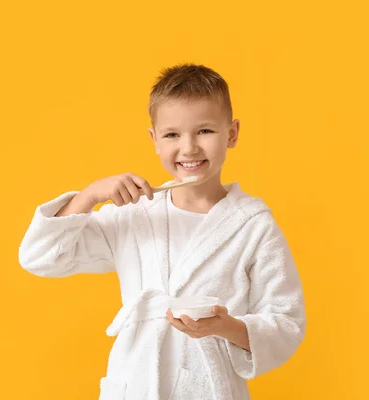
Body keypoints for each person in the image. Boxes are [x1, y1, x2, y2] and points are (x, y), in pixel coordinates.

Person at [18, 63, 306, 400]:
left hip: (209, 389)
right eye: (172, 135)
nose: (189, 148)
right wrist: (89, 196)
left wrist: (224, 327)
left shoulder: (252, 225)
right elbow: (39, 257)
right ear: (154, 140)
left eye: (205, 131)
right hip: (134, 385)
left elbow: (286, 322)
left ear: (232, 133)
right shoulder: (135, 215)